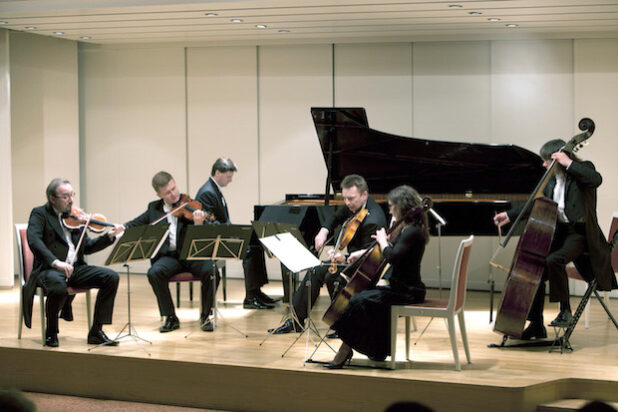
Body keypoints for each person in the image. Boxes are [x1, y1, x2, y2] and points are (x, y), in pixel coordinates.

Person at [494, 139, 617, 340]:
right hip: (560, 232)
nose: (543, 164)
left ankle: (565, 311)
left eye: (545, 160)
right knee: (535, 271)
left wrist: (568, 162)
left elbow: (596, 179)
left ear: (556, 157)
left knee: (554, 259)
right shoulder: (551, 180)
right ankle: (536, 325)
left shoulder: (582, 170)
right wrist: (509, 215)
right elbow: (537, 203)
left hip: (580, 233)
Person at [324, 185, 429, 368]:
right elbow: (391, 246)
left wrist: (382, 241)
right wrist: (361, 253)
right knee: (367, 297)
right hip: (401, 288)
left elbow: (393, 256)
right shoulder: (408, 228)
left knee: (359, 300)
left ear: (401, 207)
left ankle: (346, 349)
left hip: (408, 291)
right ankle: (377, 350)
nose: (389, 210)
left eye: (391, 206)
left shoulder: (412, 232)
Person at [269, 174, 387, 334]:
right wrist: (323, 231)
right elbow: (335, 216)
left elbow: (370, 258)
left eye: (350, 199)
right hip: (352, 263)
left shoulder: (373, 219)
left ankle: (343, 324)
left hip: (364, 271)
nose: (347, 203)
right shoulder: (355, 205)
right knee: (315, 270)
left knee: (330, 275)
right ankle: (296, 320)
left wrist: (343, 258)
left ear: (364, 194)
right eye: (344, 198)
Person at [23, 178, 122, 347]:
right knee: (57, 286)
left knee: (111, 277)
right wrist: (56, 262)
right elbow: (34, 241)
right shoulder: (40, 214)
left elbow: (88, 247)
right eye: (65, 196)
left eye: (72, 195)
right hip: (49, 269)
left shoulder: (74, 217)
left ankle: (96, 331)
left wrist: (109, 237)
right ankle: (51, 332)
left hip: (75, 268)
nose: (71, 200)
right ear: (52, 199)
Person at [122, 171, 218, 332]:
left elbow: (206, 235)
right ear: (159, 194)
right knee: (154, 273)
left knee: (212, 271)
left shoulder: (191, 205)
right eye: (167, 192)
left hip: (190, 255)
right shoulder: (154, 208)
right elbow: (135, 223)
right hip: (170, 257)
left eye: (174, 188)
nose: (174, 194)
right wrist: (121, 227)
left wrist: (198, 224)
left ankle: (205, 316)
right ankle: (171, 317)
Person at [195, 157, 276, 310]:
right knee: (250, 250)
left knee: (256, 241)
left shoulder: (213, 189)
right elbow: (209, 225)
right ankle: (251, 297)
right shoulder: (207, 192)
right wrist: (232, 231)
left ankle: (256, 291)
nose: (230, 180)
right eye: (228, 176)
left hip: (222, 234)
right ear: (218, 172)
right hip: (215, 241)